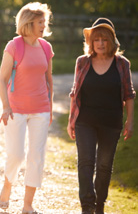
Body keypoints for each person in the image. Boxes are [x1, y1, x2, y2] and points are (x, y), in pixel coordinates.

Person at [67, 18, 135, 214]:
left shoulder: (122, 64)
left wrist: (130, 121)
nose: (101, 43)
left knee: (104, 167)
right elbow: (75, 93)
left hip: (111, 123)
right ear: (91, 42)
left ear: (112, 42)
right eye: (97, 40)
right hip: (85, 121)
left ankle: (99, 205)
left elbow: (129, 94)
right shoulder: (82, 62)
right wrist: (71, 121)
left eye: (105, 40)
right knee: (86, 163)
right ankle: (87, 206)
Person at [0, 2, 54, 214]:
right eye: (40, 22)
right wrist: (5, 106)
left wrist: (50, 107)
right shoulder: (14, 46)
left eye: (44, 22)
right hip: (15, 109)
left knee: (36, 156)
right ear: (29, 23)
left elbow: (49, 79)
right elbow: (2, 80)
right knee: (17, 155)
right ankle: (8, 183)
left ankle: (27, 204)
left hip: (41, 109)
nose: (44, 26)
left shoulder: (46, 48)